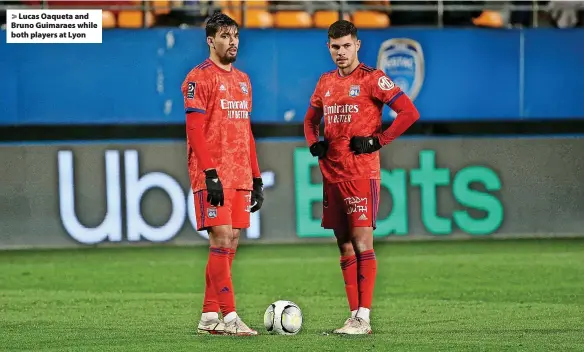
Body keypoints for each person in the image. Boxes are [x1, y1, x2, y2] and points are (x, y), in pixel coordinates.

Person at [303, 20, 420, 335]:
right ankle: (352, 316)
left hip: (361, 173)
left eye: (346, 46)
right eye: (335, 47)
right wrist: (314, 142)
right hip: (333, 174)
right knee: (343, 245)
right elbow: (310, 120)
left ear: (357, 45)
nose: (341, 52)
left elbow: (409, 113)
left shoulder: (373, 79)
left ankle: (363, 317)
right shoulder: (325, 82)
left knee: (362, 241)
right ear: (329, 48)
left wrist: (377, 141)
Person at [181, 12, 263, 336]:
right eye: (226, 37)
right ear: (210, 40)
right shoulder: (197, 78)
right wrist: (210, 172)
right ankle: (230, 318)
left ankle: (208, 316)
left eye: (236, 36)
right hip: (212, 173)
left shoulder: (243, 80)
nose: (232, 42)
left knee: (232, 241)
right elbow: (195, 131)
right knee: (221, 236)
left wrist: (256, 177)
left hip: (240, 173)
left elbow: (247, 132)